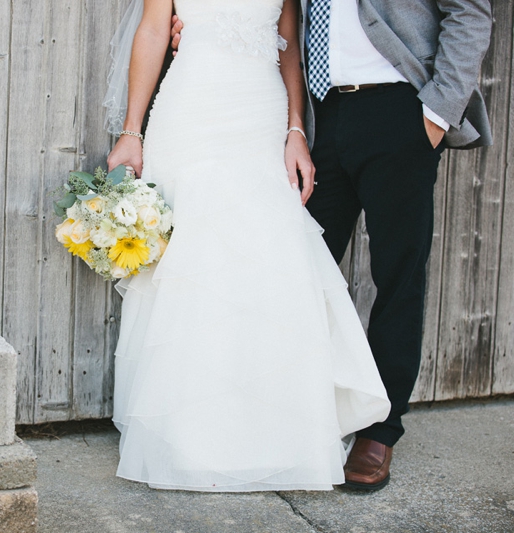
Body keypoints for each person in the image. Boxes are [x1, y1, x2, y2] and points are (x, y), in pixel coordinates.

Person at [168, 0, 493, 491]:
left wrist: (436, 114)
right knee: (291, 265)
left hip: (400, 108)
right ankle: (289, 413)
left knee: (398, 275)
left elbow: (470, 13)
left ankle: (380, 432)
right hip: (322, 116)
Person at [105, 0, 390, 492]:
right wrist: (132, 131)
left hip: (260, 113)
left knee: (264, 263)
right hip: (191, 107)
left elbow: (290, 50)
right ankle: (186, 438)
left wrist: (296, 130)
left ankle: (277, 437)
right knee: (192, 266)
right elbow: (153, 31)